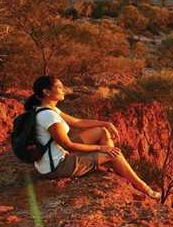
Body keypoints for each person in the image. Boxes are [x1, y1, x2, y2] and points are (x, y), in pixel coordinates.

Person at [25, 75, 161, 200]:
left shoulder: (48, 110)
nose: (64, 90)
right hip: (57, 167)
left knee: (101, 132)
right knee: (115, 154)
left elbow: (78, 122)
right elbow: (68, 145)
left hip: (55, 158)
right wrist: (101, 148)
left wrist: (106, 123)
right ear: (46, 92)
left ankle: (106, 162)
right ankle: (143, 187)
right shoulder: (49, 116)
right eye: (59, 87)